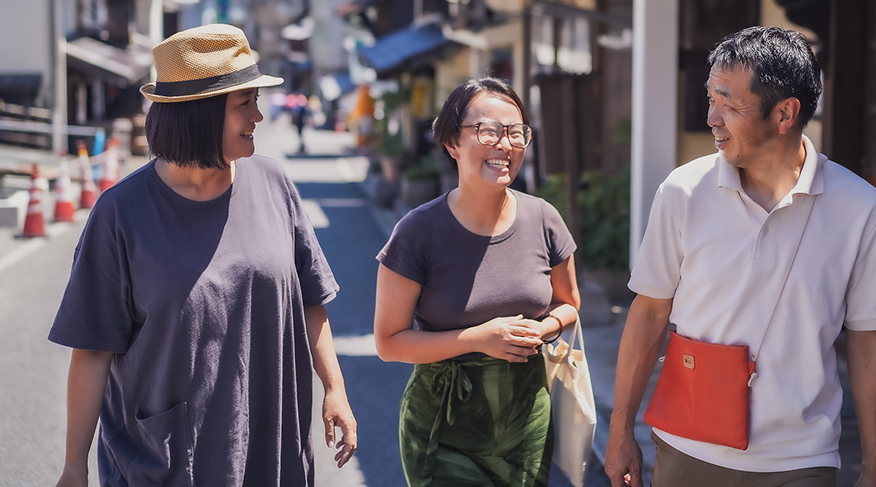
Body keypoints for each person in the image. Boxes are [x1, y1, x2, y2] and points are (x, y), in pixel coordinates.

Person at [49, 24, 357, 487]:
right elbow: (92, 351)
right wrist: (74, 467)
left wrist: (335, 388)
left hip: (272, 453)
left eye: (257, 99)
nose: (258, 115)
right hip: (167, 461)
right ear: (198, 115)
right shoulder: (120, 213)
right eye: (243, 103)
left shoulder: (274, 184)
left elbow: (310, 300)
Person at [606, 26, 876, 487]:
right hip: (689, 446)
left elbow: (868, 341)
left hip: (801, 460)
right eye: (710, 99)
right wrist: (620, 430)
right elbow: (648, 313)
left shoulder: (861, 208)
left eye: (728, 102)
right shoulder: (682, 191)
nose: (712, 117)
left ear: (785, 113)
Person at [374, 77, 581, 486]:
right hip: (442, 422)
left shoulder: (544, 219)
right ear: (453, 142)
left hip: (526, 417)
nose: (504, 145)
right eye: (488, 131)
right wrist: (478, 338)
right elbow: (389, 342)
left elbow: (569, 303)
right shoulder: (417, 231)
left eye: (516, 133)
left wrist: (542, 328)